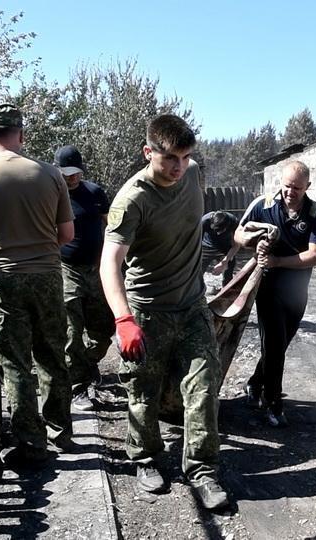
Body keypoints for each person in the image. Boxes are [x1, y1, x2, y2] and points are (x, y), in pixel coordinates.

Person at [99, 114, 229, 510]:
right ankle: (145, 458)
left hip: (191, 306)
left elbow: (196, 230)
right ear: (148, 152)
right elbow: (109, 264)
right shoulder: (133, 199)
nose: (178, 167)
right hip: (147, 312)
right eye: (170, 158)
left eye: (185, 157)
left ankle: (203, 471)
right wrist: (124, 320)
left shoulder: (192, 177)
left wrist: (239, 238)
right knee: (143, 392)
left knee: (204, 388)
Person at [0, 103, 75, 465]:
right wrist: (38, 251)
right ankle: (60, 431)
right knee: (53, 353)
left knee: (15, 361)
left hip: (3, 280)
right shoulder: (52, 175)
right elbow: (66, 234)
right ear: (21, 135)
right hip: (48, 277)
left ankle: (30, 443)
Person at [235, 160, 316, 427]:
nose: (290, 192)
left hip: (297, 291)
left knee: (278, 345)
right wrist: (256, 239)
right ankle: (273, 404)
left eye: (297, 188)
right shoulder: (262, 205)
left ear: (307, 187)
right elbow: (238, 235)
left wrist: (278, 260)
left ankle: (255, 383)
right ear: (280, 183)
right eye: (287, 186)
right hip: (268, 286)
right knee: (275, 345)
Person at [54, 144, 115, 412]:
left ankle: (88, 365)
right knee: (72, 331)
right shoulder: (51, 195)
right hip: (67, 269)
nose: (72, 178)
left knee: (103, 331)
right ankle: (77, 387)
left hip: (97, 269)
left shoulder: (94, 192)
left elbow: (111, 224)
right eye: (67, 173)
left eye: (76, 173)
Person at [200, 210, 240, 287]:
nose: (218, 233)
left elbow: (236, 245)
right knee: (198, 270)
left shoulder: (233, 222)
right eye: (216, 230)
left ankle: (226, 289)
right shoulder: (204, 221)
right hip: (207, 245)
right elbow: (197, 242)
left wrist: (224, 262)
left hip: (225, 246)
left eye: (221, 230)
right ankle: (198, 290)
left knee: (229, 267)